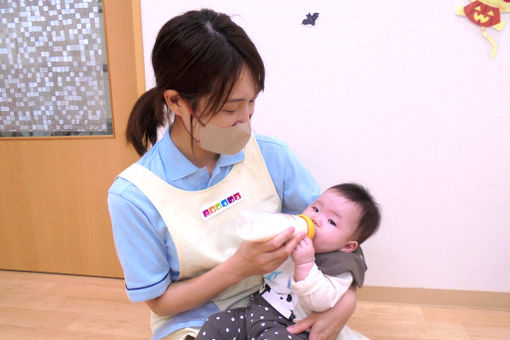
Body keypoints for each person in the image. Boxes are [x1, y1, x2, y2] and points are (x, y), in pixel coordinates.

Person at [107, 9, 366, 340]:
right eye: (230, 109)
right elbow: (161, 302)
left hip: (284, 308)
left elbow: (340, 234)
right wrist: (238, 269)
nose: (246, 120)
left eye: (251, 103)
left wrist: (345, 302)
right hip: (199, 323)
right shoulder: (135, 196)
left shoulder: (273, 156)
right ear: (176, 102)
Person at [195, 183, 380, 340]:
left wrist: (306, 265)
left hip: (287, 327)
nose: (315, 218)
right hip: (255, 310)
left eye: (331, 222)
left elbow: (322, 301)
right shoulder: (291, 238)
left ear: (348, 246)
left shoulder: (340, 266)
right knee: (216, 324)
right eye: (315, 209)